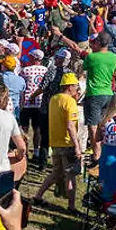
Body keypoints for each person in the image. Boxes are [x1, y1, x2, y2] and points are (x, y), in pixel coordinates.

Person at [32, 73, 83, 211]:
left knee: (56, 173)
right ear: (69, 86)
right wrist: (77, 146)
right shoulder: (70, 102)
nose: (77, 89)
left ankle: (38, 196)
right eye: (75, 86)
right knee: (70, 175)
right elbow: (70, 125)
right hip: (67, 143)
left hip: (55, 142)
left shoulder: (54, 99)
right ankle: (71, 207)